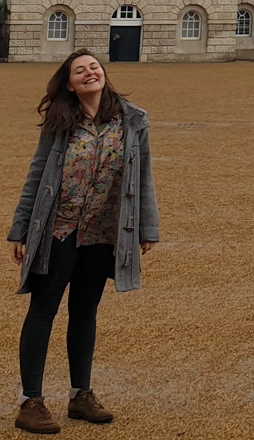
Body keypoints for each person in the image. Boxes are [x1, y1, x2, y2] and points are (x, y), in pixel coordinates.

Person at [8, 50, 159, 434]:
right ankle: (31, 401)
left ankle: (80, 395)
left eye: (94, 66)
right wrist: (21, 229)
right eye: (80, 70)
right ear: (71, 84)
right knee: (43, 310)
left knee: (85, 311)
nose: (90, 73)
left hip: (103, 230)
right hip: (58, 229)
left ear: (104, 73)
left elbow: (143, 178)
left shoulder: (133, 120)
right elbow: (37, 174)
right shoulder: (60, 121)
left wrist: (146, 228)